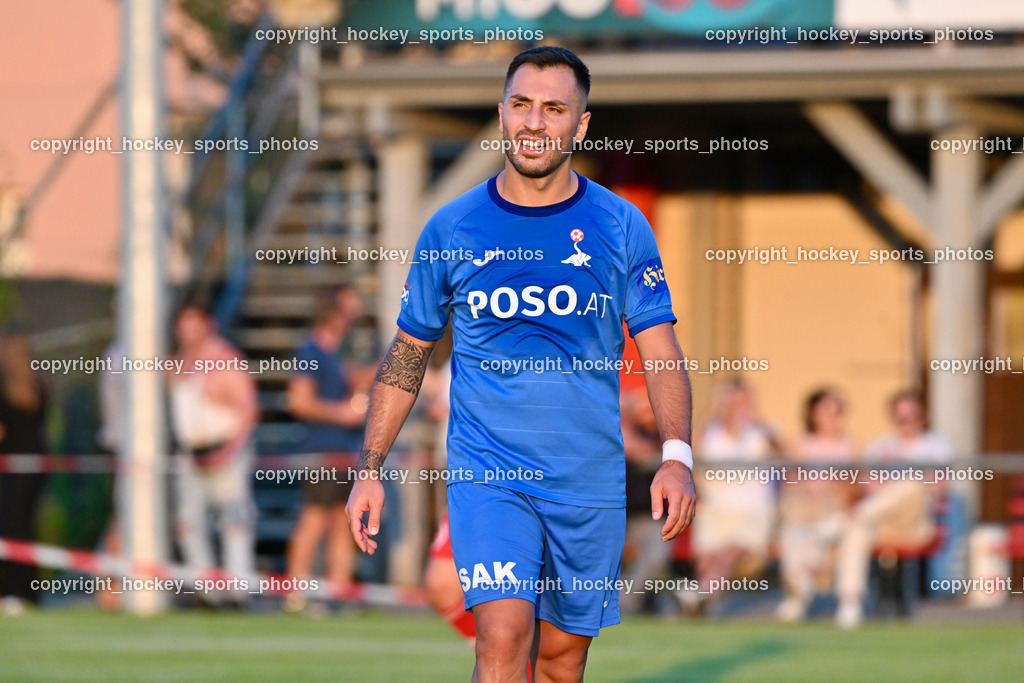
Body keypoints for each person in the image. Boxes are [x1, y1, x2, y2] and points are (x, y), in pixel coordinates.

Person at [346, 46, 695, 683]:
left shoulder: (622, 226)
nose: (534, 122)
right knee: (502, 638)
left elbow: (661, 350)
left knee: (563, 658)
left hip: (587, 478)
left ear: (580, 125)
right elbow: (407, 354)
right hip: (489, 475)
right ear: (502, 112)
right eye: (521, 105)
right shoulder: (452, 228)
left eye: (554, 108)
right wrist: (370, 466)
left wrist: (677, 456)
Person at [834, 389, 953, 628]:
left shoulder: (937, 446)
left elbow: (938, 486)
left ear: (923, 417)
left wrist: (900, 467)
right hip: (881, 521)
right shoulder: (880, 446)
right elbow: (868, 485)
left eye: (912, 416)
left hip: (917, 523)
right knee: (857, 529)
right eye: (901, 418)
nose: (907, 423)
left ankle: (839, 523)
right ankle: (850, 602)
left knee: (911, 485)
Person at [168, 303, 258, 604]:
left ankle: (237, 592)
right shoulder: (180, 364)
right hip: (191, 457)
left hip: (225, 455)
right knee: (188, 525)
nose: (189, 331)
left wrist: (231, 450)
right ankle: (207, 592)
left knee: (234, 525)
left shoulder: (225, 360)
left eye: (195, 324)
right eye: (184, 324)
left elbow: (247, 409)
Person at [284, 289, 367, 612]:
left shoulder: (335, 352)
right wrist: (342, 412)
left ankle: (338, 593)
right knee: (314, 519)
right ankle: (295, 592)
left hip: (344, 450)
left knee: (341, 522)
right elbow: (299, 401)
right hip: (321, 450)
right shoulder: (311, 350)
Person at [684, 379, 776, 615]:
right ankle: (705, 602)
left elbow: (783, 454)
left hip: (752, 508)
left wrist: (757, 419)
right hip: (716, 507)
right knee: (707, 560)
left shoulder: (761, 430)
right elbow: (691, 455)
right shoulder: (709, 431)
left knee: (731, 554)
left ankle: (699, 596)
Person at [775, 388, 858, 623]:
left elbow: (853, 488)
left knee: (815, 527)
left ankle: (800, 592)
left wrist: (830, 487)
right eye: (825, 412)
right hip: (802, 506)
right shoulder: (799, 442)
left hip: (833, 507)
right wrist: (807, 488)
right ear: (812, 414)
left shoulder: (850, 446)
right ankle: (798, 592)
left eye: (836, 412)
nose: (831, 418)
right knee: (794, 524)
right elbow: (790, 480)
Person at [0, 328, 49, 614]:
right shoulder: (37, 384)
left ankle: (11, 591)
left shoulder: (4, 385)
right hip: (35, 467)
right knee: (26, 530)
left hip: (9, 469)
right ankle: (29, 593)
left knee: (9, 531)